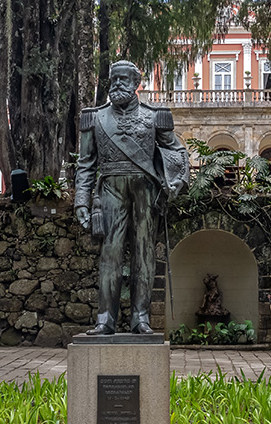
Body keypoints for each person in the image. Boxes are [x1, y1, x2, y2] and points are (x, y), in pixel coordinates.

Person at [74, 61, 189, 334]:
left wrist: (175, 180)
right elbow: (86, 164)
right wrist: (81, 199)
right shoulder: (95, 118)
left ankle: (141, 318)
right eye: (113, 79)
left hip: (145, 193)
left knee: (144, 254)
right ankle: (105, 320)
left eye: (123, 79)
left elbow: (177, 152)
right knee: (110, 254)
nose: (116, 84)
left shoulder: (155, 116)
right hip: (110, 192)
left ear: (137, 82)